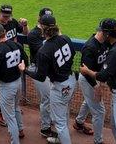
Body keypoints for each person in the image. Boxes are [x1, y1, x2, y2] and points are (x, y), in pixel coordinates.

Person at [25, 14, 76, 144]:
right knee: (64, 113)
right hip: (71, 80)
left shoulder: (44, 50)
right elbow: (73, 54)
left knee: (59, 123)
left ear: (42, 27)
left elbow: (40, 77)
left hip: (59, 87)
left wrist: (24, 70)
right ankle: (59, 138)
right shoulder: (65, 38)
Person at [0, 23, 28, 144]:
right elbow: (26, 61)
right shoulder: (17, 45)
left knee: (9, 117)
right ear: (4, 32)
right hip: (18, 82)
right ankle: (20, 130)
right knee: (16, 107)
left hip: (7, 87)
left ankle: (15, 141)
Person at [73, 19, 114, 143]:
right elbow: (85, 72)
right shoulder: (89, 47)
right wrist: (96, 86)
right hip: (88, 80)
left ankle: (79, 122)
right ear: (105, 33)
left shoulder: (105, 42)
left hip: (96, 77)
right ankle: (98, 141)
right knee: (100, 111)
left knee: (88, 101)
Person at [0, 4, 29, 126]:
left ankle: (13, 108)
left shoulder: (13, 22)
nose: (6, 18)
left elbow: (26, 33)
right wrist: (0, 52)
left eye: (8, 16)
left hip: (15, 59)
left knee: (15, 87)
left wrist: (25, 25)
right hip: (3, 63)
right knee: (5, 88)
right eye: (4, 15)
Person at [26, 7, 57, 138]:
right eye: (47, 23)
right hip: (37, 68)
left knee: (48, 97)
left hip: (47, 69)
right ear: (40, 19)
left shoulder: (51, 33)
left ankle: (48, 119)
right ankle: (45, 128)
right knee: (47, 98)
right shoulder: (33, 34)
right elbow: (43, 50)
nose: (50, 26)